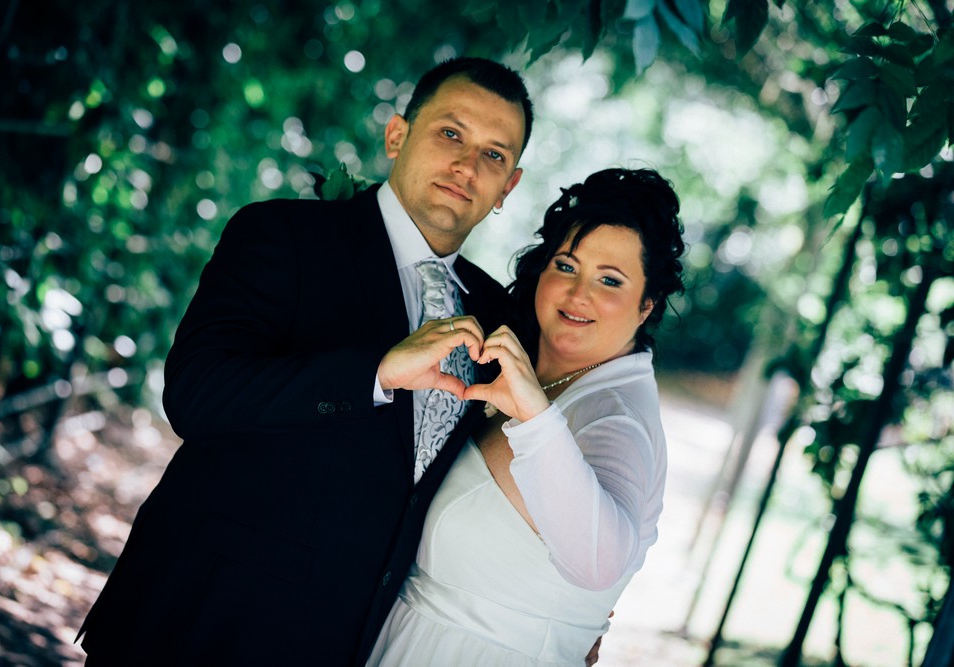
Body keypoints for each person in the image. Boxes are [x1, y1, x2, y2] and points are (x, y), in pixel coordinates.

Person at [76, 57, 533, 665]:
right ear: (397, 136)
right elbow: (195, 393)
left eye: (494, 155)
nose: (466, 164)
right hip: (197, 621)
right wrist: (373, 374)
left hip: (338, 644)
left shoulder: (497, 316)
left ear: (510, 187)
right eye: (450, 132)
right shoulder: (283, 235)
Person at [367, 167, 687, 665]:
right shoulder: (513, 357)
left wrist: (536, 418)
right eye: (566, 266)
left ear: (646, 305)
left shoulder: (617, 416)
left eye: (610, 280)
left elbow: (600, 561)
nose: (579, 294)